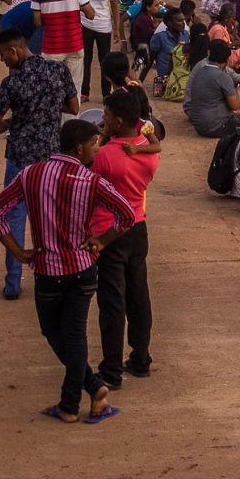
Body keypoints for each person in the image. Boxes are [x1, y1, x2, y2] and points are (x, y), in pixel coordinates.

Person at [0, 119, 135, 424]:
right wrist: (103, 240)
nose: (98, 148)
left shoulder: (31, 174)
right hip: (82, 268)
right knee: (75, 334)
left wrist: (18, 252)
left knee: (54, 331)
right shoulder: (91, 180)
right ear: (79, 148)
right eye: (95, 143)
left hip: (47, 270)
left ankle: (73, 401)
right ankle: (90, 389)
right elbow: (127, 215)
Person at [0, 28, 80, 299]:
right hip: (52, 158)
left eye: (3, 56)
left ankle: (13, 283)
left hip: (19, 158)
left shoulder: (11, 84)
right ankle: (57, 274)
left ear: (14, 51)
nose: (3, 61)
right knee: (52, 218)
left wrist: (14, 120)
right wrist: (49, 109)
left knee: (14, 217)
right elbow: (73, 108)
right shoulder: (57, 71)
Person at [89, 91, 159, 390]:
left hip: (109, 232)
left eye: (105, 117)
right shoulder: (148, 149)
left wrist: (103, 139)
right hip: (137, 226)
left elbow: (90, 184)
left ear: (118, 122)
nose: (102, 121)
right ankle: (141, 359)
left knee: (112, 302)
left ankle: (111, 369)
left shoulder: (105, 155)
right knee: (138, 295)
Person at [32, 0, 94, 88]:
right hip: (74, 45)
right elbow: (91, 14)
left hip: (52, 47)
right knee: (74, 85)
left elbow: (37, 23)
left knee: (51, 86)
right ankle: (73, 109)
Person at [186, 41, 240, 139]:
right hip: (214, 126)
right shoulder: (223, 76)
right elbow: (235, 106)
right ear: (226, 60)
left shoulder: (200, 71)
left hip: (198, 124)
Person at [78, 0, 122, 102]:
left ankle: (105, 93)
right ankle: (84, 92)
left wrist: (116, 29)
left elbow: (115, 6)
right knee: (85, 59)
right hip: (84, 25)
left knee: (105, 61)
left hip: (104, 26)